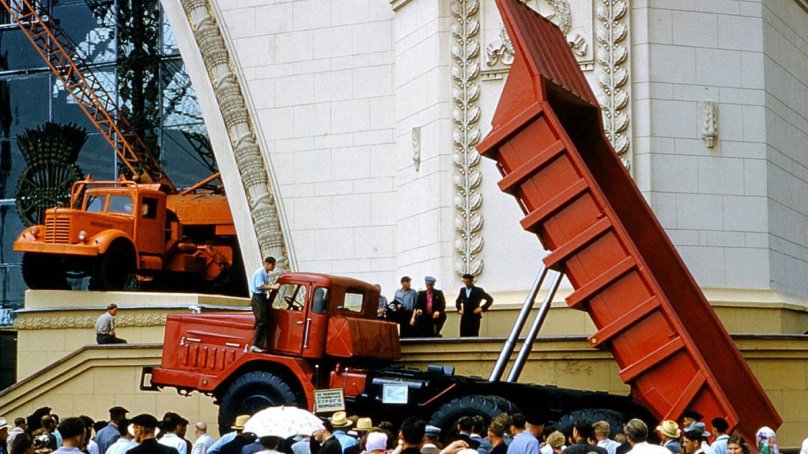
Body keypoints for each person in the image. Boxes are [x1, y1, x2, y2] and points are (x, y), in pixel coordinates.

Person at [250, 256, 278, 353]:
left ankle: (260, 344)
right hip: (258, 298)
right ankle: (255, 345)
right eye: (273, 264)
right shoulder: (260, 272)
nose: (274, 267)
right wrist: (272, 287)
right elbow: (260, 286)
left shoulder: (265, 274)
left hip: (262, 298)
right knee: (261, 321)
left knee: (264, 320)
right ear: (268, 263)